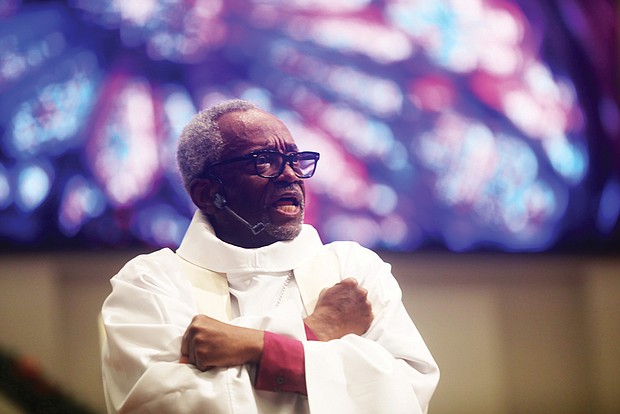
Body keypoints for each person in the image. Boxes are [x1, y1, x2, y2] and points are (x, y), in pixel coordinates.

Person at [100, 99, 439, 414]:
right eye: (263, 162)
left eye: (294, 160)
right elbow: (166, 403)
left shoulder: (352, 269)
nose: (290, 175)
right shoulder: (150, 282)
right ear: (208, 194)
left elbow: (406, 388)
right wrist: (313, 333)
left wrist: (254, 345)